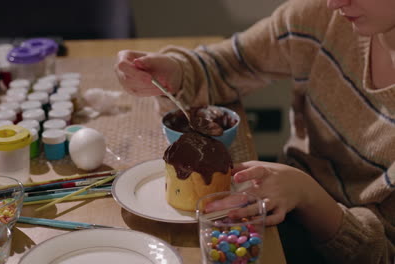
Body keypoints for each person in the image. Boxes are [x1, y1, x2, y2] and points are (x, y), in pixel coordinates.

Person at [114, 0, 395, 263]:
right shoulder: (322, 16)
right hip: (283, 216)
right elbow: (228, 64)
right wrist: (178, 72)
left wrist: (309, 195)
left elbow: (382, 253)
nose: (334, 3)